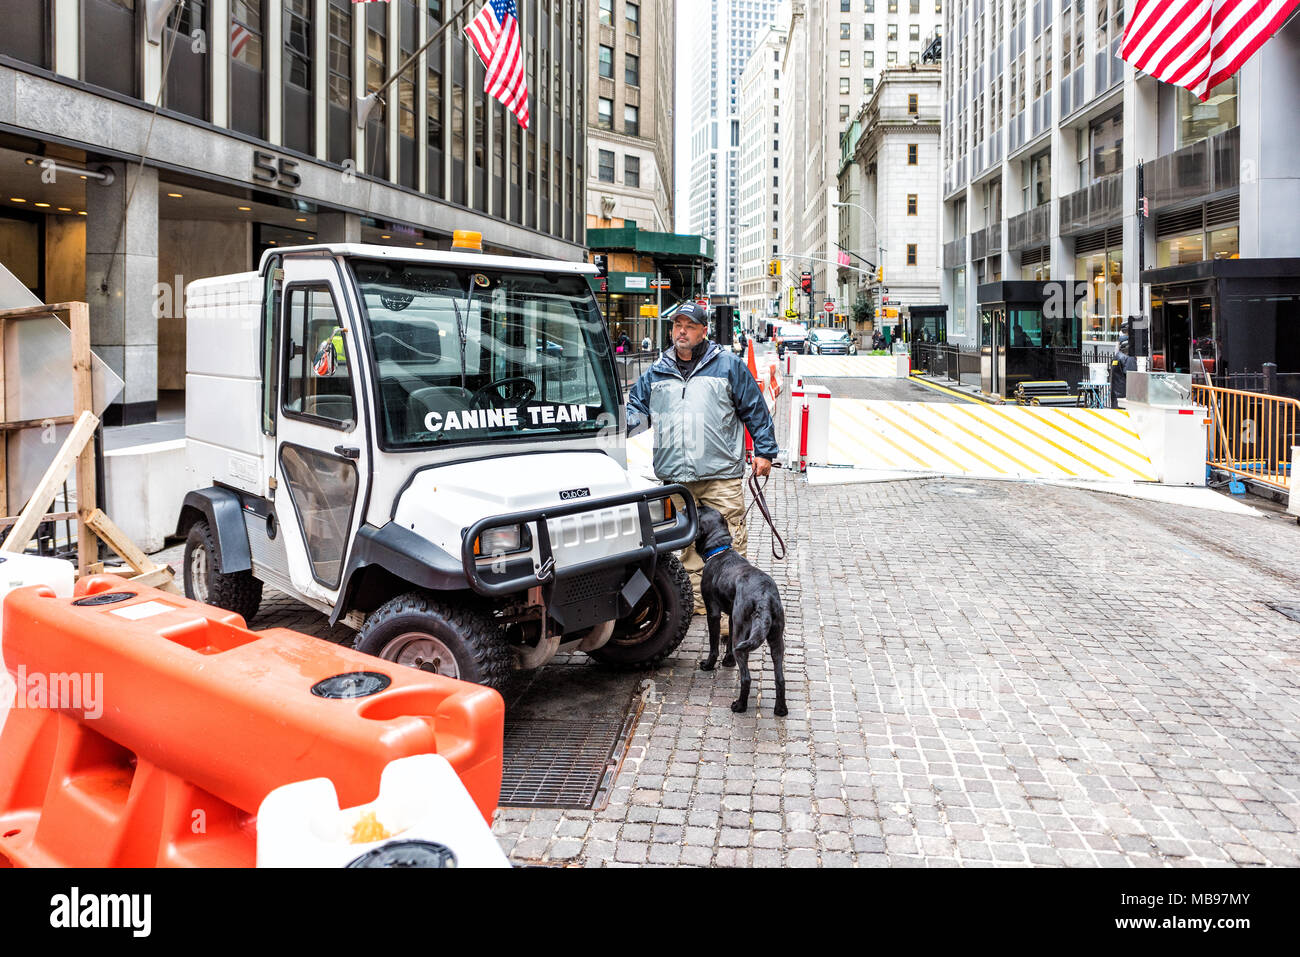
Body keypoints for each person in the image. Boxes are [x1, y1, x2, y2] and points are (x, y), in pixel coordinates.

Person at [626, 302, 778, 624]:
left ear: (703, 331)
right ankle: (700, 608)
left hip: (719, 476)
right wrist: (608, 432)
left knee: (727, 547)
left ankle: (732, 615)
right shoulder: (658, 369)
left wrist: (765, 451)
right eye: (677, 325)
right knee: (687, 548)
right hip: (676, 479)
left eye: (689, 326)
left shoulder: (727, 365)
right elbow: (637, 412)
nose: (681, 331)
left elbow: (754, 408)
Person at [1110, 335, 1136, 407]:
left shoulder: (1117, 356)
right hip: (1124, 395)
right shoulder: (1128, 358)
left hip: (1115, 394)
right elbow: (1131, 376)